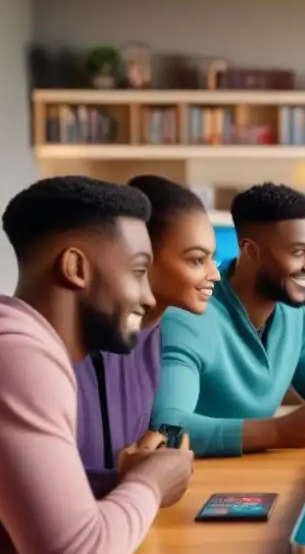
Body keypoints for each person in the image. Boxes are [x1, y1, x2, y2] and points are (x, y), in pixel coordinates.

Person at [0, 175, 208, 554]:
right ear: (75, 268)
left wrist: (122, 481)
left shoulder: (15, 348)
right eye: (138, 272)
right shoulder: (14, 360)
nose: (146, 296)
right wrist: (147, 484)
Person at [152, 182, 305, 457]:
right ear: (251, 251)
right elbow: (166, 428)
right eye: (298, 252)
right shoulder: (187, 317)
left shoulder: (296, 317)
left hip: (256, 476)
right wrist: (279, 431)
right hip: (194, 483)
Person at [74, 175, 220, 497]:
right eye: (197, 260)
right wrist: (135, 477)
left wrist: (159, 443)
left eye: (212, 258)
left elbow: (162, 425)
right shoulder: (79, 348)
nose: (215, 274)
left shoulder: (153, 335)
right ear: (142, 257)